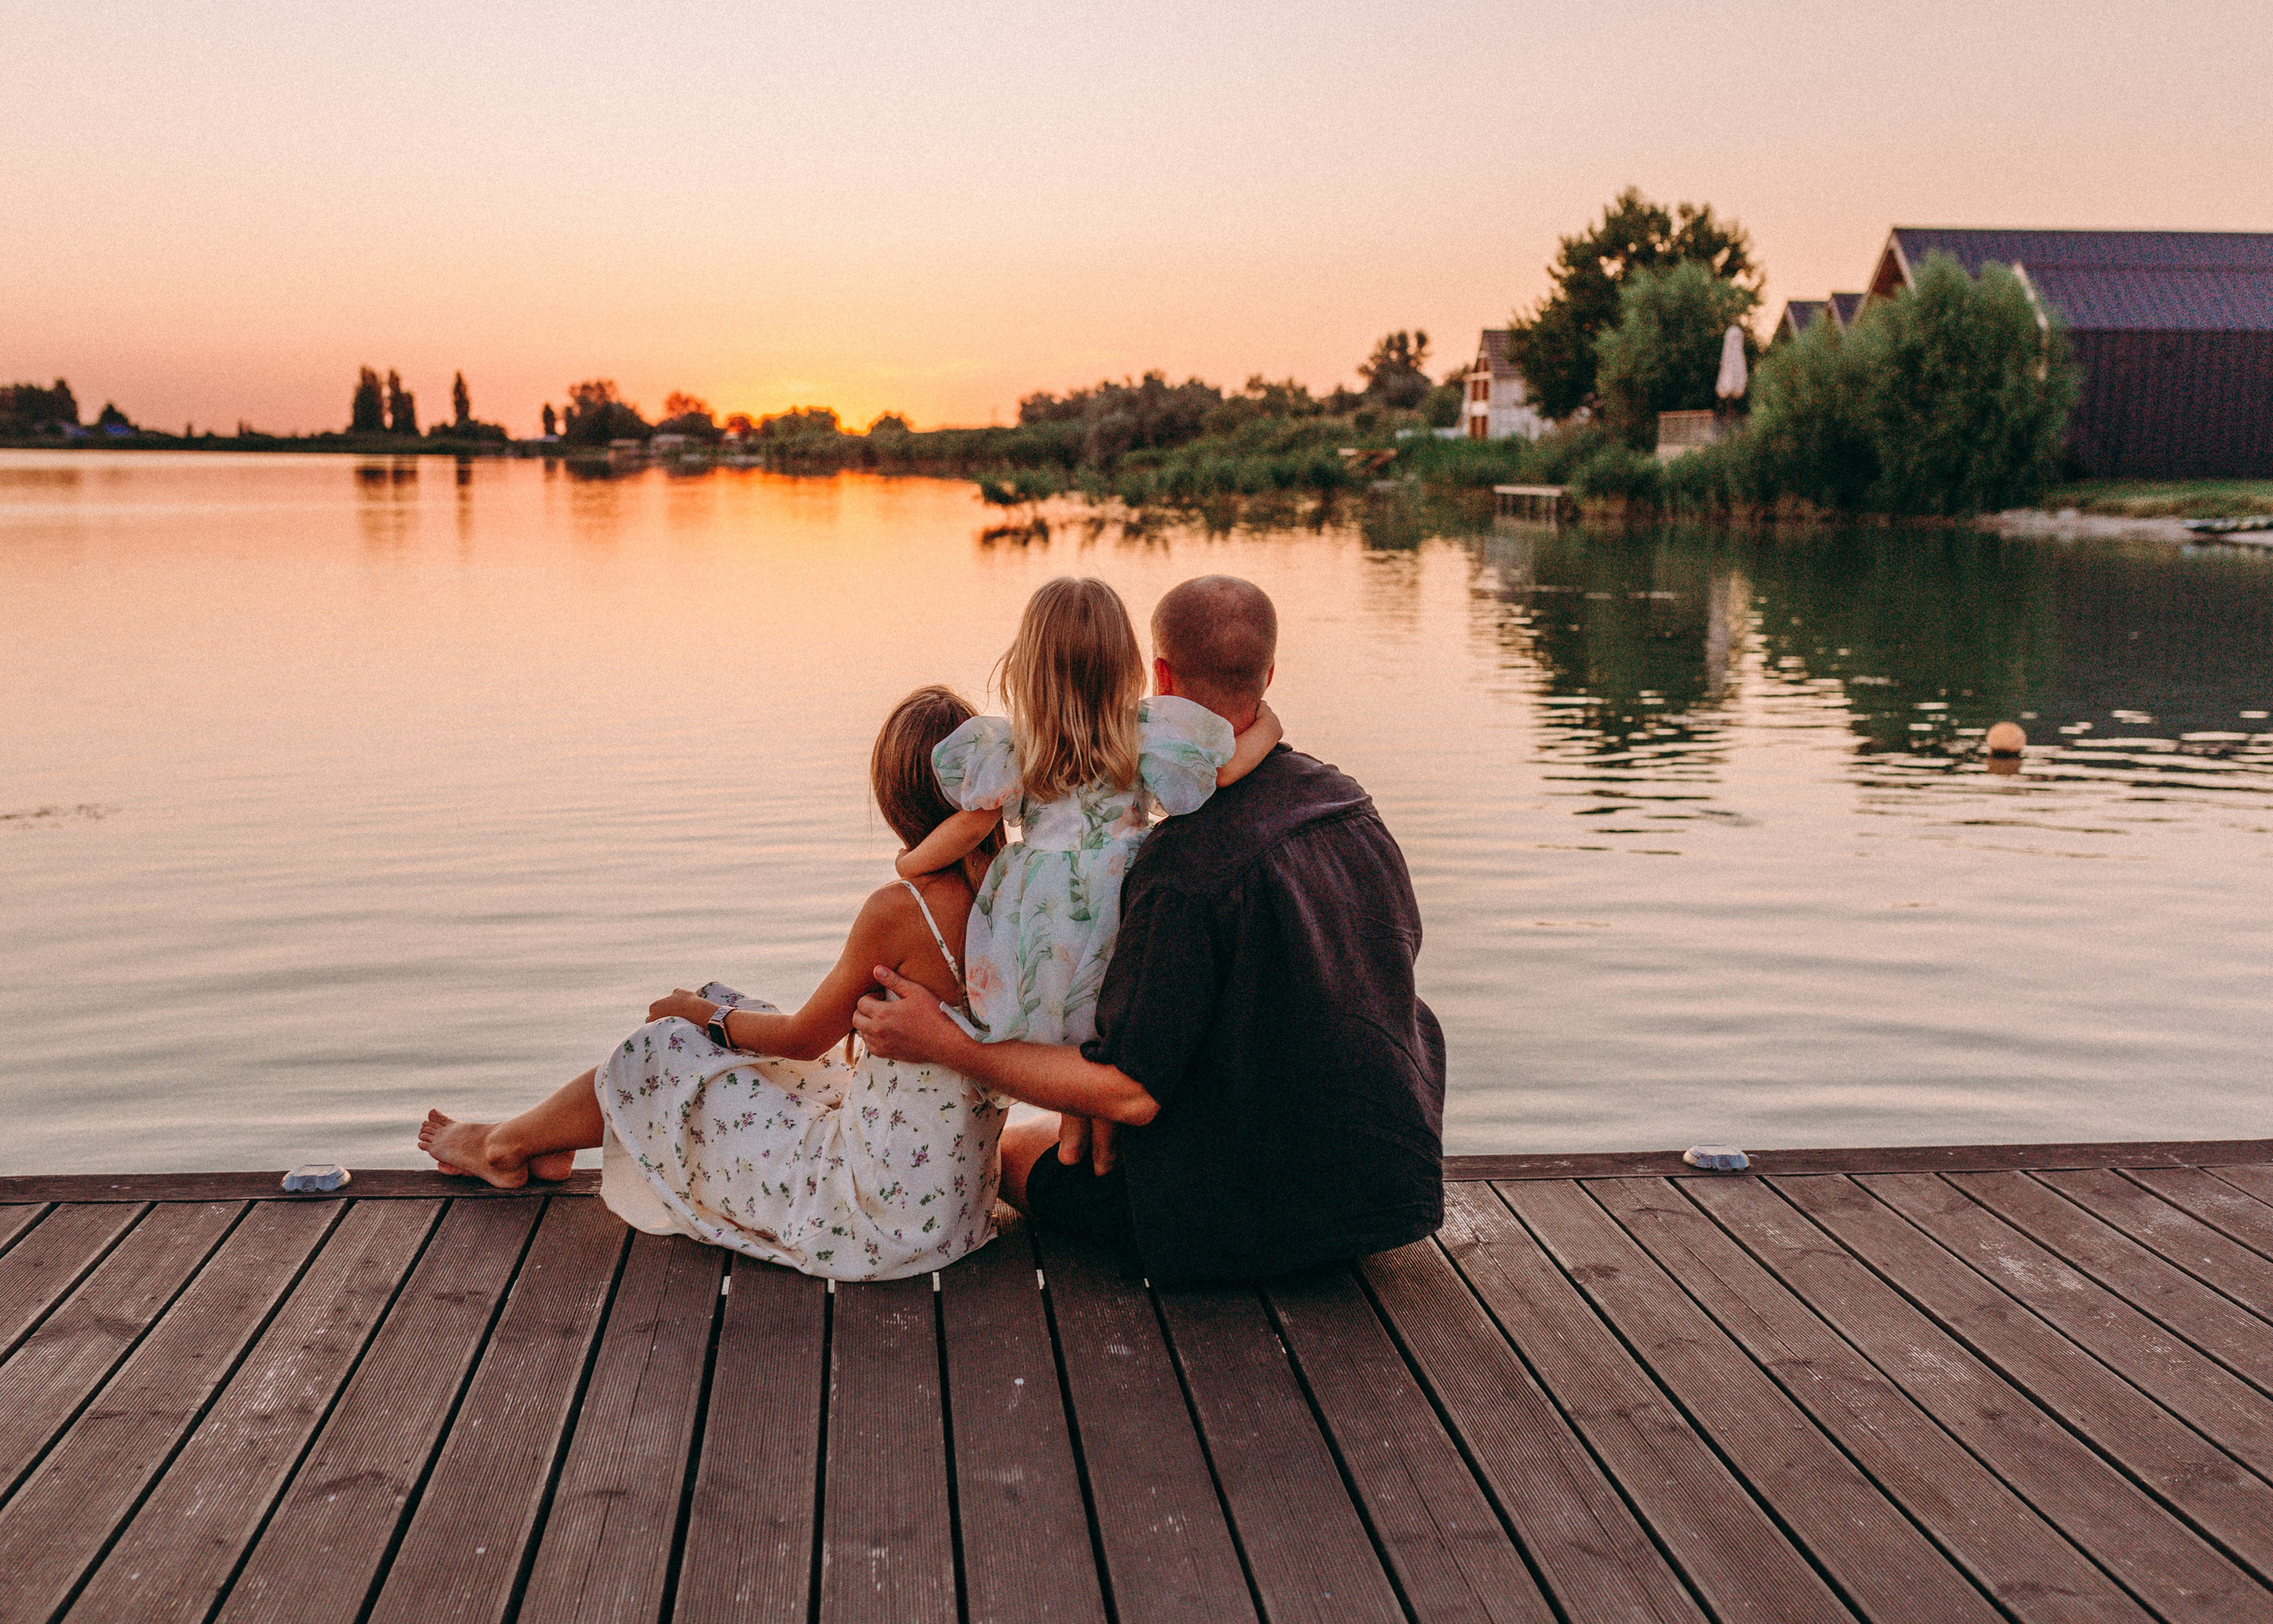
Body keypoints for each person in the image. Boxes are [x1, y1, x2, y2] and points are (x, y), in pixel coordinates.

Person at [857, 575, 1445, 1286]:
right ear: (1269, 674)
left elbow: (1131, 1091)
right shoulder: (1346, 803)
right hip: (1391, 1185)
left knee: (1010, 1151)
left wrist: (944, 1042)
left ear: (1160, 677)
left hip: (1248, 1222)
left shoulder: (1182, 869)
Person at [416, 685, 1012, 1280]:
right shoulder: (1011, 893)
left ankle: (501, 1145)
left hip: (872, 1215)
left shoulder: (901, 907)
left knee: (666, 1044)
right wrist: (715, 1011)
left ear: (894, 800)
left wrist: (699, 1013)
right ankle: (540, 1138)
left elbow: (804, 1037)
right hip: (954, 1208)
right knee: (731, 1013)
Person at [892, 575, 1280, 1159]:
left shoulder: (1021, 746)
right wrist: (1270, 726)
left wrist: (910, 862)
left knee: (1062, 1035)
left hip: (1046, 909)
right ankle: (1098, 1159)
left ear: (1029, 668)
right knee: (1107, 1032)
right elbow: (1221, 773)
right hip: (1123, 896)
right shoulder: (1145, 734)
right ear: (1127, 664)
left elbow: (970, 826)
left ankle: (1071, 1152)